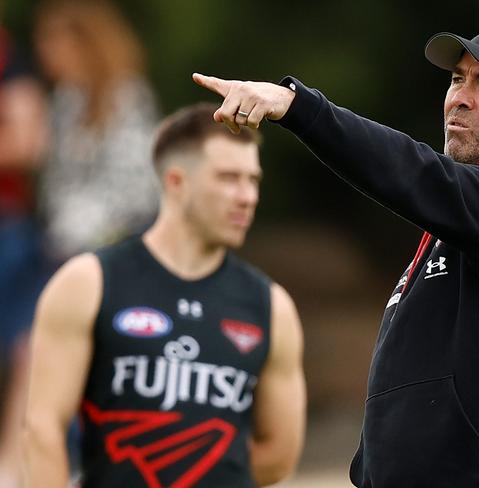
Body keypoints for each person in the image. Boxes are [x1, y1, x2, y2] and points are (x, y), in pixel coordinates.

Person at [193, 20, 479, 488]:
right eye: (458, 79)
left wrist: (299, 108)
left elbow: (419, 174)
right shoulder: (457, 227)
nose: (460, 97)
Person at [23, 103, 306, 487]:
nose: (247, 197)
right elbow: (42, 429)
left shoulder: (271, 306)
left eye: (253, 180)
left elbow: (279, 454)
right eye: (228, 178)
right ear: (176, 182)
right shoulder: (88, 282)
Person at [33, 0, 160, 261]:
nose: (44, 52)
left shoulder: (127, 97)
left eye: (53, 42)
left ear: (85, 43)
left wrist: (83, 231)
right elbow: (56, 183)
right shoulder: (64, 101)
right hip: (63, 239)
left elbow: (136, 187)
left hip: (123, 236)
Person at [0, 21, 48, 488]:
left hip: (8, 222)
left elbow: (27, 140)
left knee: (25, 348)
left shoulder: (6, 54)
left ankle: (12, 468)